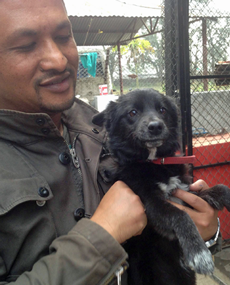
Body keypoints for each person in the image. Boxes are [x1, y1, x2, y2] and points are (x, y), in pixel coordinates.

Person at [0, 0, 220, 284]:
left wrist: (206, 233)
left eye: (64, 36)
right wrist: (103, 234)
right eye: (27, 45)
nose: (57, 59)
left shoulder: (106, 127)